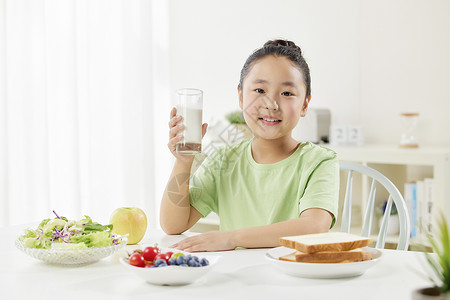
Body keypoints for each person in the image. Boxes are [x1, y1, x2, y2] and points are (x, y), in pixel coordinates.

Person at [160, 39, 339, 252]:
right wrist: (183, 161)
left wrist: (232, 238)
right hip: (238, 280)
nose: (271, 104)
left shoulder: (319, 161)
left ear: (305, 105)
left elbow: (314, 226)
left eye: (287, 93)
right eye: (260, 90)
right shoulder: (223, 160)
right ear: (241, 97)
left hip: (292, 279)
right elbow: (172, 225)